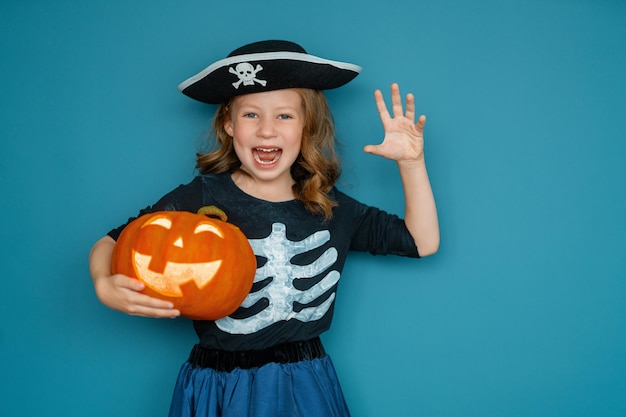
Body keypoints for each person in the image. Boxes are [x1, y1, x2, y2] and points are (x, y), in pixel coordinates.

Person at [89, 39, 439, 417]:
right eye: (251, 115)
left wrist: (412, 164)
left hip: (303, 382)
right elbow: (114, 241)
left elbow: (421, 241)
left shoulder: (329, 205)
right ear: (228, 123)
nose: (267, 131)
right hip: (216, 382)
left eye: (285, 116)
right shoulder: (201, 195)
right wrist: (104, 285)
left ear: (308, 126)